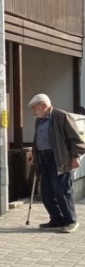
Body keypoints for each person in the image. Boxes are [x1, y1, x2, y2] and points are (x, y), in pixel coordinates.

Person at [29, 94, 84, 233]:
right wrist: (34, 154)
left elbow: (76, 140)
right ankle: (57, 219)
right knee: (46, 192)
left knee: (62, 190)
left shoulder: (62, 117)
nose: (33, 110)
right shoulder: (39, 121)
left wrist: (75, 157)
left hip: (59, 159)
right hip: (43, 159)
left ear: (43, 105)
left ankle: (71, 221)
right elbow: (37, 140)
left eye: (34, 107)